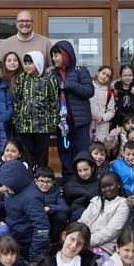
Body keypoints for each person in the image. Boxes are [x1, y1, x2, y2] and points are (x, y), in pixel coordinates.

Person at [0, 160, 50, 263]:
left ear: (16, 181)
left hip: (28, 245)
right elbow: (9, 208)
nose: (3, 188)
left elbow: (42, 228)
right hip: (15, 238)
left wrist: (34, 257)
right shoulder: (12, 191)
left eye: (6, 185)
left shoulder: (32, 198)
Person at [49, 40, 95, 182]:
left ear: (66, 55)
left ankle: (84, 182)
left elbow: (89, 91)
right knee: (65, 154)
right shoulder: (51, 74)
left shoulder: (81, 71)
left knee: (81, 154)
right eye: (53, 55)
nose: (54, 58)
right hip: (63, 124)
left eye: (57, 55)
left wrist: (68, 84)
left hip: (80, 122)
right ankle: (69, 184)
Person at [12, 51, 59, 168]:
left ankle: (42, 180)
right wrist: (17, 120)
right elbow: (17, 100)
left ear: (38, 63)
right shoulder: (22, 78)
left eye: (30, 63)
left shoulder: (49, 79)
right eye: (25, 63)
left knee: (42, 157)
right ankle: (29, 181)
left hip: (43, 126)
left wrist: (53, 122)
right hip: (25, 126)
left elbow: (54, 102)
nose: (27, 66)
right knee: (27, 157)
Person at [79, 172, 130, 256]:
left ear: (118, 185)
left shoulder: (123, 205)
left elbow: (110, 232)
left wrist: (87, 241)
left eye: (110, 185)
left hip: (105, 247)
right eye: (103, 187)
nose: (107, 189)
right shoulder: (96, 200)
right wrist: (78, 236)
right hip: (84, 242)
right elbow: (83, 221)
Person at [34, 166, 70, 245]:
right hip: (35, 221)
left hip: (51, 221)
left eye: (48, 182)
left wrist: (50, 208)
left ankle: (54, 242)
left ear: (53, 182)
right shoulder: (31, 192)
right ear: (36, 181)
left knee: (62, 216)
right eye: (42, 181)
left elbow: (65, 208)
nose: (44, 184)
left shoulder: (55, 192)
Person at [63, 152, 100, 222]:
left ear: (92, 168)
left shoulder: (100, 183)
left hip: (96, 214)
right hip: (77, 216)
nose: (83, 173)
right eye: (79, 171)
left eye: (86, 169)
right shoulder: (69, 186)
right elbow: (66, 205)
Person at [90, 65, 115, 142]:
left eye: (107, 76)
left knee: (100, 149)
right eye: (103, 73)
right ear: (98, 73)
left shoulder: (109, 93)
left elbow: (111, 111)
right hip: (89, 124)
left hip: (102, 127)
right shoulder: (88, 87)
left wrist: (102, 117)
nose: (104, 77)